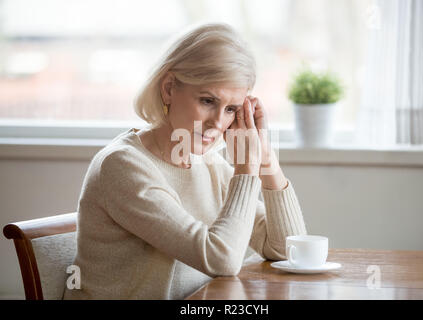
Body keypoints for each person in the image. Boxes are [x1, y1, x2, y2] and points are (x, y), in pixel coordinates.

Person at [63, 23, 307, 300]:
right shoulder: (122, 166)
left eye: (231, 109)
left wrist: (265, 160)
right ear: (168, 88)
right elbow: (221, 261)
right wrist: (246, 167)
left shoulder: (209, 166)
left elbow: (289, 250)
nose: (217, 122)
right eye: (207, 100)